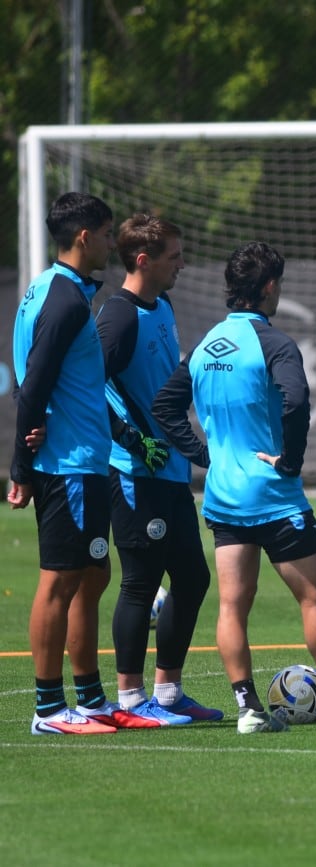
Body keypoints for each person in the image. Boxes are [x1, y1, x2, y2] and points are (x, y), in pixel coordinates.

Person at [152, 242, 316, 733]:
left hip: (223, 494)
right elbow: (295, 401)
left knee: (233, 603)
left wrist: (204, 455)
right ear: (270, 286)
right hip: (272, 493)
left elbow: (164, 408)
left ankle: (249, 709)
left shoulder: (205, 345)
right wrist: (291, 461)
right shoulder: (274, 344)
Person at [10, 192, 155, 734]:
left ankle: (91, 699)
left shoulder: (56, 290)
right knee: (61, 581)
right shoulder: (64, 299)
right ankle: (49, 709)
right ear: (84, 237)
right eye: (107, 231)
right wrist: (20, 468)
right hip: (66, 464)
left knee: (93, 575)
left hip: (84, 458)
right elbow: (33, 383)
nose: (113, 242)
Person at [97, 214, 222, 724]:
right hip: (133, 471)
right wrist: (131, 438)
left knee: (192, 578)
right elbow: (87, 385)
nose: (183, 264)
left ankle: (168, 693)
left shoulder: (162, 306)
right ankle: (129, 701)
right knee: (140, 582)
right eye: (174, 255)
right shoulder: (118, 316)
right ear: (143, 260)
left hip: (168, 471)